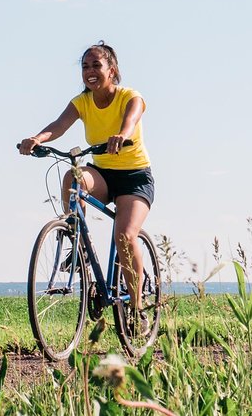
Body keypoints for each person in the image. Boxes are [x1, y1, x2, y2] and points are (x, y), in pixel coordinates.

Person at [19, 41, 154, 334]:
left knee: (125, 235)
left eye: (96, 66)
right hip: (103, 174)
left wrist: (121, 134)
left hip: (134, 177)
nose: (90, 72)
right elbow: (58, 125)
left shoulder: (130, 97)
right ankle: (77, 241)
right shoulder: (81, 102)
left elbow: (131, 120)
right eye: (85, 66)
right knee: (73, 176)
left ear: (112, 70)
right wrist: (37, 139)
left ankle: (137, 309)